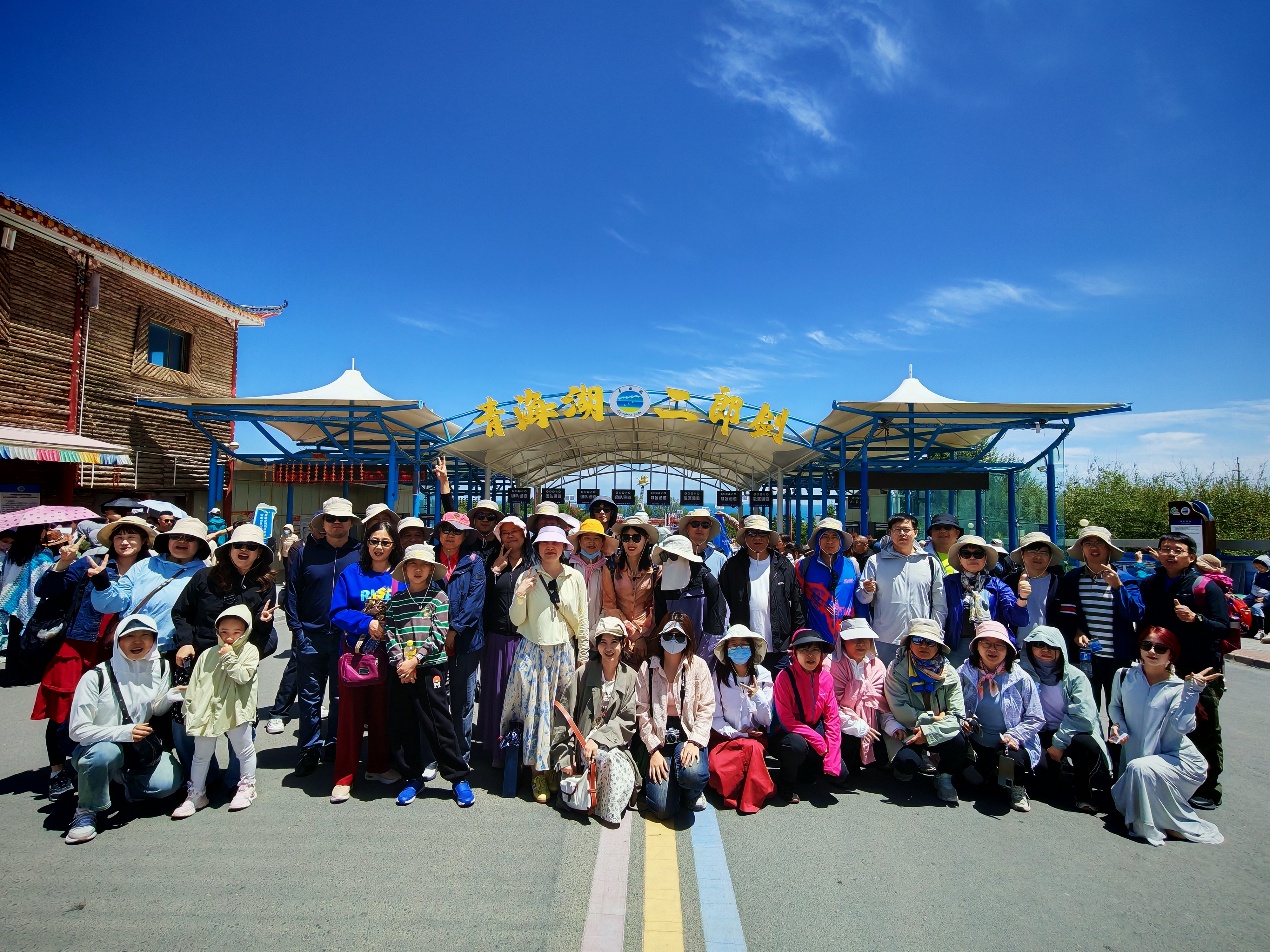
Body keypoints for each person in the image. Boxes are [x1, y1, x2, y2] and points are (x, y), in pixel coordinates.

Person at [32, 516, 154, 799]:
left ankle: (110, 764)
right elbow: (44, 590)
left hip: (125, 650)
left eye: (132, 537)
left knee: (119, 707)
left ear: (143, 542)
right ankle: (58, 771)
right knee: (64, 708)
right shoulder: (91, 562)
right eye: (119, 536)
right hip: (80, 646)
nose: (125, 542)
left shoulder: (151, 568)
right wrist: (63, 563)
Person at [64, 614, 185, 844]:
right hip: (98, 746)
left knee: (168, 783)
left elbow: (156, 710)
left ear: (154, 639)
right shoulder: (95, 677)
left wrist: (172, 696)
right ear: (118, 640)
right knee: (104, 754)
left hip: (137, 747)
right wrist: (123, 732)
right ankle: (86, 810)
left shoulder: (160, 666)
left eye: (145, 635)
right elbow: (77, 730)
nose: (138, 641)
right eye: (130, 636)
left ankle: (115, 781)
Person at [170, 524, 277, 781]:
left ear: (259, 553)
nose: (244, 550)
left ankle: (237, 779)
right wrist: (185, 642)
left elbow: (262, 632)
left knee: (240, 719)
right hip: (201, 658)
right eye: (238, 545)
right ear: (228, 549)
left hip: (237, 661)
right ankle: (199, 779)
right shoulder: (204, 577)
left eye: (251, 547)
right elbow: (181, 612)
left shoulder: (264, 584)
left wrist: (263, 625)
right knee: (189, 719)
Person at [1136, 532, 1229, 811]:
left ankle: (1209, 788)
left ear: (1191, 556)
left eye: (1177, 550)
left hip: (1197, 667)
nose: (1170, 554)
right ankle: (1169, 780)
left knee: (1202, 728)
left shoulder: (1205, 587)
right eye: (1165, 549)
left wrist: (1195, 618)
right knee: (1162, 725)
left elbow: (1222, 627)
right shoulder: (1150, 584)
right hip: (1161, 666)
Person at [1110, 625, 1223, 846]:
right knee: (1139, 770)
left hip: (1174, 758)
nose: (1152, 651)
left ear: (1171, 654)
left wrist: (1191, 692)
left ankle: (1168, 825)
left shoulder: (1178, 687)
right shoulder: (1124, 675)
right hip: (1134, 756)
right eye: (1147, 645)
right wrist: (1119, 726)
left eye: (1160, 648)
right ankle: (1159, 820)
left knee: (1141, 768)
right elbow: (1115, 706)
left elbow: (1183, 726)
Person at [503, 525, 589, 802]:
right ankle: (536, 771)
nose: (550, 547)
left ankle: (553, 764)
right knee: (533, 712)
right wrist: (520, 594)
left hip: (563, 652)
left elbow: (583, 620)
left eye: (556, 543)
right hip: (533, 653)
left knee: (559, 712)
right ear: (537, 547)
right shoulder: (527, 576)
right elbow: (516, 620)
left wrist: (583, 655)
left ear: (564, 547)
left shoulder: (575, 577)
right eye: (544, 543)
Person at [384, 544, 474, 808]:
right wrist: (402, 663)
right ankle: (412, 777)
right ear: (405, 569)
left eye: (424, 565)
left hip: (430, 667)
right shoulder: (396, 601)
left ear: (431, 570)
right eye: (412, 564)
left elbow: (439, 634)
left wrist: (415, 661)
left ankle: (458, 778)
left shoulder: (438, 597)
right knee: (404, 723)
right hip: (402, 670)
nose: (418, 569)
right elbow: (390, 633)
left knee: (439, 723)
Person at [327, 519, 402, 803]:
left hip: (390, 656)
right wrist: (365, 623)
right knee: (351, 716)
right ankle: (343, 776)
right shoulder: (352, 573)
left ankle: (377, 766)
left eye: (385, 542)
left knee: (383, 713)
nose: (379, 547)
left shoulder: (401, 575)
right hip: (356, 655)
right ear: (366, 543)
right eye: (374, 541)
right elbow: (337, 612)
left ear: (394, 546)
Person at [286, 498, 360, 777]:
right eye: (331, 519)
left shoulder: (360, 553)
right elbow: (292, 592)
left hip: (346, 637)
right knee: (309, 697)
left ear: (351, 523)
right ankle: (309, 748)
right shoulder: (306, 553)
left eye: (342, 519)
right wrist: (297, 630)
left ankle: (335, 745)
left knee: (341, 697)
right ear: (323, 523)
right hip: (311, 635)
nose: (337, 523)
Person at [171, 605, 261, 818]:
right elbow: (197, 682)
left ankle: (247, 786)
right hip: (207, 710)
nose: (229, 637)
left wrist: (229, 657)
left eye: (236, 632)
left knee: (243, 749)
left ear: (246, 631)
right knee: (201, 754)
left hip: (236, 709)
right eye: (224, 631)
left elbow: (242, 676)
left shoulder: (250, 651)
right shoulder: (207, 654)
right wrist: (189, 704)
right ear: (217, 631)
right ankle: (196, 794)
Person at [551, 616, 639, 824]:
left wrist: (598, 739)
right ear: (597, 645)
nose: (608, 648)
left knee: (612, 760)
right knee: (602, 758)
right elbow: (563, 716)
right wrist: (565, 757)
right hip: (583, 747)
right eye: (603, 642)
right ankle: (597, 804)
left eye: (614, 642)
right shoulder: (583, 673)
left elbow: (627, 720)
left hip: (615, 746)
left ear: (623, 644)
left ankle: (604, 807)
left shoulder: (631, 677)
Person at [1056, 525, 1145, 715]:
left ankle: (1115, 737)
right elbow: (1064, 615)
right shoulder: (1072, 579)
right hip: (1085, 658)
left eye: (1099, 543)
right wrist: (1076, 631)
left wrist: (1118, 587)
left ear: (1109, 549)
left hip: (1118, 658)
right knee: (1086, 710)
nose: (1093, 547)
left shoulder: (1125, 579)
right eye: (1088, 543)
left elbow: (1136, 613)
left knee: (1119, 712)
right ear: (1082, 549)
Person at [956, 621, 1044, 813]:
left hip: (1007, 743)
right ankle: (991, 774)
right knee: (969, 785)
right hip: (975, 742)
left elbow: (1036, 717)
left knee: (1013, 759)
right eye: (986, 644)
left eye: (999, 645)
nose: (992, 650)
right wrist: (962, 720)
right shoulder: (964, 672)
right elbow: (952, 704)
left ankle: (1018, 787)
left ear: (1008, 650)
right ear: (976, 647)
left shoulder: (1021, 678)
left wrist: (1014, 735)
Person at [90, 517, 210, 656]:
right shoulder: (145, 565)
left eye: (189, 538)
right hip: (130, 646)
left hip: (172, 650)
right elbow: (116, 604)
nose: (181, 541)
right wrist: (102, 584)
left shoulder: (205, 575)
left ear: (200, 545)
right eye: (176, 536)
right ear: (168, 540)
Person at [1021, 626, 1111, 812]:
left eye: (1051, 646)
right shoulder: (1022, 674)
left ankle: (1084, 793)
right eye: (1039, 645)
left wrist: (1058, 745)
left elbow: (1083, 717)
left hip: (1070, 733)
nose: (1045, 650)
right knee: (1043, 779)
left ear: (1061, 648)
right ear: (1029, 647)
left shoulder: (1076, 677)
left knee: (1086, 745)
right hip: (1038, 732)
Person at [635, 613, 714, 818]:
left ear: (688, 639)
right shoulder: (647, 668)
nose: (673, 641)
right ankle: (674, 783)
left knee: (693, 774)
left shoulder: (699, 667)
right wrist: (653, 750)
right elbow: (642, 711)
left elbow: (706, 708)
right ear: (660, 636)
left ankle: (691, 791)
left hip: (687, 736)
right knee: (662, 809)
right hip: (659, 740)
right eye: (668, 635)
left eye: (679, 637)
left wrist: (694, 742)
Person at [882, 618, 968, 805]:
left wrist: (928, 733)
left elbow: (958, 716)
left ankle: (944, 776)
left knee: (959, 742)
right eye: (917, 640)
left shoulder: (950, 673)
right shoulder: (896, 669)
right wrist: (934, 719)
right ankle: (914, 759)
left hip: (938, 729)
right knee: (906, 766)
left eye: (930, 642)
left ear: (938, 647)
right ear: (909, 643)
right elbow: (900, 710)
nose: (923, 645)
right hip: (907, 729)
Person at [433, 511, 487, 767]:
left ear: (465, 536)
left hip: (467, 642)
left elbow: (475, 602)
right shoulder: (428, 558)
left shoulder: (474, 561)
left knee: (463, 701)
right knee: (434, 700)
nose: (450, 535)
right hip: (431, 642)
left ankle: (460, 756)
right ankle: (435, 755)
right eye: (446, 529)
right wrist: (439, 633)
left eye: (457, 531)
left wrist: (454, 630)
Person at [718, 515, 806, 673]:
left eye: (762, 533)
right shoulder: (731, 567)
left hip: (779, 649)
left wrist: (797, 638)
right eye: (752, 533)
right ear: (745, 537)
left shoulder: (784, 566)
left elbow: (796, 605)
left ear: (769, 538)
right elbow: (723, 606)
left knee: (781, 688)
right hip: (744, 649)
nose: (757, 537)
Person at [858, 514, 948, 666]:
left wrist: (935, 633)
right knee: (884, 679)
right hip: (885, 638)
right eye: (897, 530)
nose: (902, 534)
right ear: (890, 533)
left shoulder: (930, 562)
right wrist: (867, 590)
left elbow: (939, 603)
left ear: (915, 532)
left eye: (906, 529)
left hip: (920, 639)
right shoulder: (876, 561)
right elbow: (863, 598)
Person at [707, 624, 775, 814]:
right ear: (726, 650)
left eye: (743, 644)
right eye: (733, 645)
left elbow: (767, 720)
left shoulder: (763, 675)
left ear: (752, 648)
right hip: (724, 737)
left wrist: (757, 696)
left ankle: (750, 797)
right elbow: (715, 716)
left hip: (754, 739)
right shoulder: (718, 677)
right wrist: (736, 733)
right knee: (717, 766)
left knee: (752, 749)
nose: (738, 649)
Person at [481, 515, 531, 767]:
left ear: (524, 534)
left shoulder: (534, 564)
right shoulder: (492, 561)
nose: (510, 536)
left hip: (525, 639)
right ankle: (498, 751)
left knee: (522, 697)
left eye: (515, 532)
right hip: (498, 639)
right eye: (505, 532)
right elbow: (482, 597)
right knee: (498, 694)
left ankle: (521, 753)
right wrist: (494, 571)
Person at [772, 628, 841, 803]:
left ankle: (806, 771)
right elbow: (786, 720)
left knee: (840, 775)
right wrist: (819, 742)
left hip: (813, 728)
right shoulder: (784, 677)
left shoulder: (826, 678)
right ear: (794, 653)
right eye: (804, 649)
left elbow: (832, 719)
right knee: (796, 746)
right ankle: (786, 783)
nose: (810, 655)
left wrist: (832, 757)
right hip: (787, 734)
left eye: (815, 650)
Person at [942, 535, 1028, 650]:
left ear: (985, 558)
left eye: (978, 554)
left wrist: (1022, 598)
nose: (972, 558)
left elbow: (1019, 620)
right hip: (956, 648)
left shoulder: (997, 585)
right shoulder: (948, 583)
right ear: (959, 558)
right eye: (966, 554)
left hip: (991, 647)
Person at [831, 617, 892, 779]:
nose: (861, 643)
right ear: (843, 641)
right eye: (854, 639)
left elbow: (884, 703)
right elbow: (831, 707)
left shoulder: (877, 665)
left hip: (872, 723)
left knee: (886, 759)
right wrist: (858, 726)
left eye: (865, 639)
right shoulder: (831, 666)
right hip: (841, 724)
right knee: (845, 774)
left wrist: (893, 726)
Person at [603, 513, 660, 668]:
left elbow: (657, 605)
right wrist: (634, 634)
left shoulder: (656, 569)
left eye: (636, 538)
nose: (630, 542)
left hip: (650, 635)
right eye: (626, 538)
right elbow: (609, 605)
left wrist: (643, 635)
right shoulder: (611, 567)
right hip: (619, 633)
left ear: (646, 539)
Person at [794, 516, 860, 648]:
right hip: (816, 639)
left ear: (840, 541)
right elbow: (796, 603)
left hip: (847, 638)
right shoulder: (802, 566)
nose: (829, 541)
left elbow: (858, 599)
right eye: (825, 536)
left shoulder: (852, 565)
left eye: (834, 537)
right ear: (818, 539)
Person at [1005, 532, 1066, 641]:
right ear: (1022, 554)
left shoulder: (1060, 584)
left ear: (1050, 557)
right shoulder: (1009, 582)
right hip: (1016, 645)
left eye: (1044, 553)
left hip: (1049, 646)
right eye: (1032, 552)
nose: (1038, 556)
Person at [570, 518, 616, 637]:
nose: (592, 542)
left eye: (596, 539)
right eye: (587, 538)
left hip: (598, 633)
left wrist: (592, 635)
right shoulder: (569, 567)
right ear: (580, 541)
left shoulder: (608, 569)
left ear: (602, 543)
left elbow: (608, 605)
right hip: (571, 633)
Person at [676, 508, 728, 578]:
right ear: (687, 528)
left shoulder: (720, 559)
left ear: (710, 529)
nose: (700, 528)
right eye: (695, 524)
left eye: (705, 525)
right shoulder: (676, 556)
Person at [468, 499, 507, 569]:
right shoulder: (465, 543)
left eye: (490, 517)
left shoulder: (503, 545)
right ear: (474, 520)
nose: (485, 520)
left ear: (496, 521)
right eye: (480, 516)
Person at [1249, 554, 1270, 642]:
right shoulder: (1257, 574)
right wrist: (1255, 595)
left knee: (1256, 607)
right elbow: (1254, 586)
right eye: (1257, 567)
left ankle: (1261, 630)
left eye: (1261, 567)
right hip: (1255, 595)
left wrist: (1265, 598)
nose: (1259, 569)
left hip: (1267, 598)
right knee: (1240, 604)